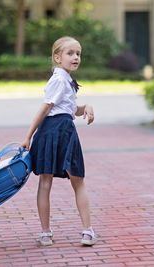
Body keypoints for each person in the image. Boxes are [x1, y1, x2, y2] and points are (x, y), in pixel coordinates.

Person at [20, 36, 97, 247]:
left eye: (78, 54)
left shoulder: (65, 79)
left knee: (50, 182)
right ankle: (86, 231)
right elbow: (45, 108)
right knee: (76, 180)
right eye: (70, 53)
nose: (75, 57)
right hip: (59, 131)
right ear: (57, 57)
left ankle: (47, 233)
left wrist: (86, 106)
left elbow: (68, 109)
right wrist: (28, 135)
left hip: (56, 130)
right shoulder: (60, 79)